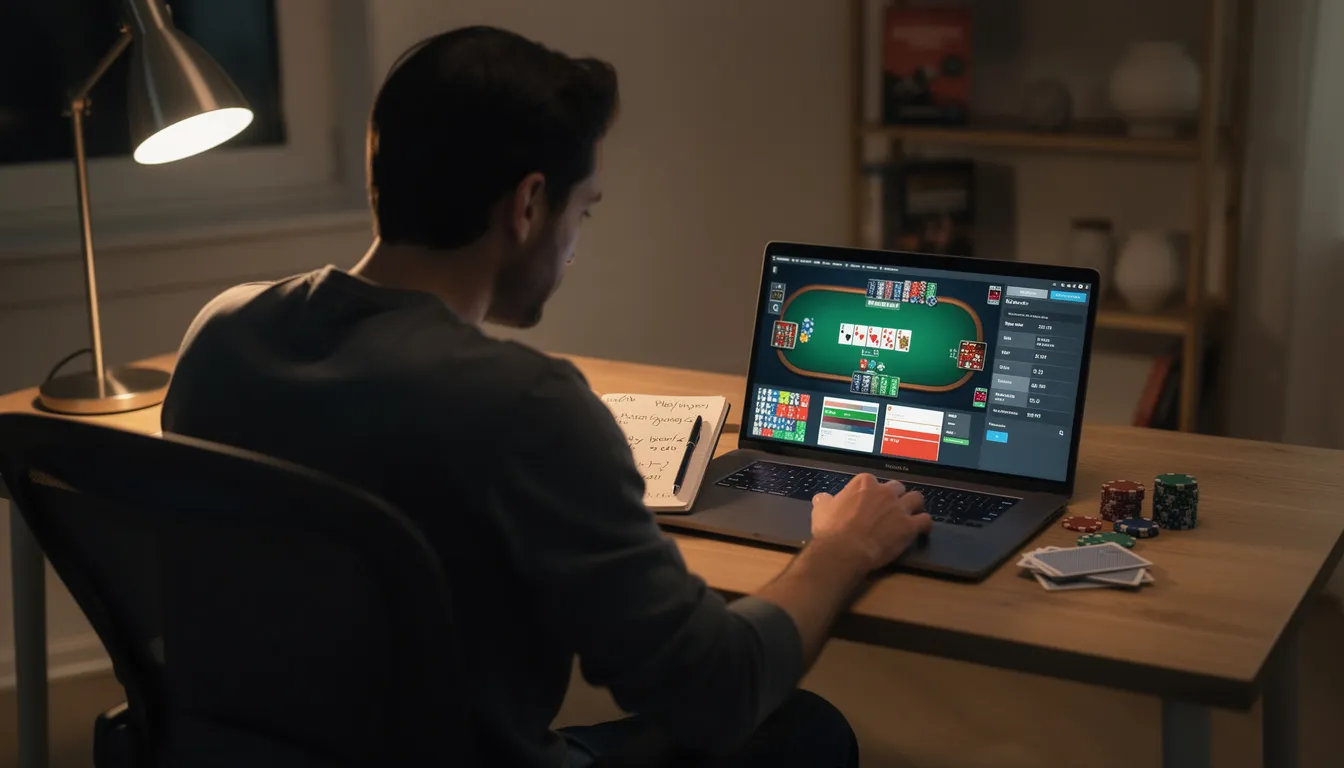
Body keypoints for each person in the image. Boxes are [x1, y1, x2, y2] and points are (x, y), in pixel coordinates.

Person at [161, 25, 931, 768]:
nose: (575, 243)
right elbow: (717, 692)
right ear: (528, 206)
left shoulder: (221, 334)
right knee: (807, 730)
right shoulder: (524, 406)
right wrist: (843, 549)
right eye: (583, 210)